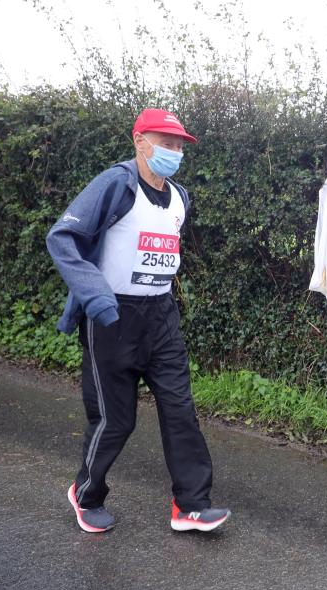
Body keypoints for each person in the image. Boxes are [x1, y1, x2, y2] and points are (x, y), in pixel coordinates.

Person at [46, 108, 230, 533]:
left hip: (161, 317)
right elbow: (62, 237)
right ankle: (86, 494)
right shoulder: (116, 183)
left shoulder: (181, 197)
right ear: (139, 141)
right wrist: (96, 297)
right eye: (165, 143)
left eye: (179, 145)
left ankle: (191, 505)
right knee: (117, 419)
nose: (174, 151)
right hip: (112, 317)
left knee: (180, 409)